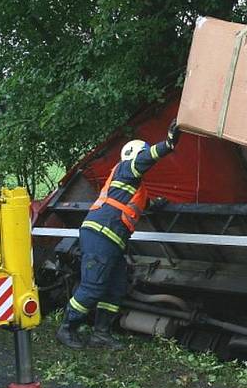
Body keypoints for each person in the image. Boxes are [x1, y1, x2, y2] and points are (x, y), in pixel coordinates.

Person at [56, 120, 181, 350]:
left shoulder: (134, 186)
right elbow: (145, 159)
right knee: (93, 287)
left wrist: (156, 204)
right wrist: (168, 144)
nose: (143, 159)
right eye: (141, 155)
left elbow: (135, 204)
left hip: (112, 242)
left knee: (115, 288)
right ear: (134, 155)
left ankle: (100, 334)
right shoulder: (125, 168)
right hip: (101, 236)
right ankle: (67, 327)